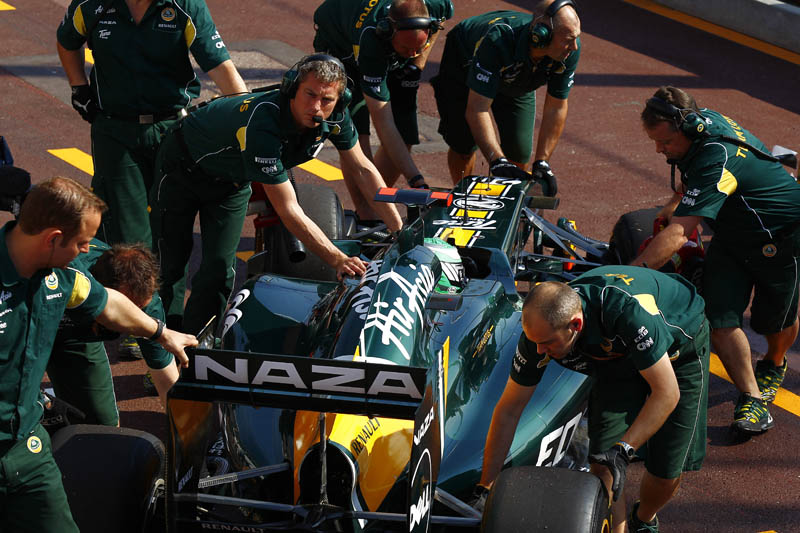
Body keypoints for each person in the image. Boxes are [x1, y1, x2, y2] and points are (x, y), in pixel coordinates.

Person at [0, 176, 196, 532]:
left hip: (26, 450)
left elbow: (110, 304)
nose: (88, 250)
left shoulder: (63, 278)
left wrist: (162, 334)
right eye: (82, 243)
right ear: (53, 239)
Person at [152, 54, 399, 335]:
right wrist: (337, 259)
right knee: (170, 261)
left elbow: (363, 169)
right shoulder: (263, 123)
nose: (317, 107)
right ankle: (160, 342)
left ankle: (196, 342)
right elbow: (288, 210)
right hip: (181, 169)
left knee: (219, 268)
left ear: (339, 100)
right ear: (292, 89)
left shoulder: (336, 114)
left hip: (232, 180)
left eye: (327, 99)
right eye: (310, 94)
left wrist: (399, 230)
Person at [56, 0, 248, 331]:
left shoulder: (184, 6)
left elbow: (221, 67)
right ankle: (142, 327)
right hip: (114, 133)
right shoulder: (91, 4)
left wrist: (249, 124)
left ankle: (170, 327)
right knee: (130, 240)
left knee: (169, 239)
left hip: (173, 131)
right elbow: (66, 41)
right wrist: (78, 86)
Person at [477, 266, 710, 533]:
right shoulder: (539, 334)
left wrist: (624, 449)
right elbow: (509, 409)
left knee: (664, 472)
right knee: (603, 467)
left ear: (575, 325)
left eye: (548, 343)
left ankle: (644, 518)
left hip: (678, 350)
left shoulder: (624, 312)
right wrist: (486, 488)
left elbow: (667, 393)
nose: (539, 350)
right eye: (535, 342)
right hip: (616, 362)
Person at [632, 86, 800, 435]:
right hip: (731, 236)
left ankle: (774, 363)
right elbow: (694, 176)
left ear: (687, 127)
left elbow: (680, 234)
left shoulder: (717, 154)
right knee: (720, 318)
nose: (659, 149)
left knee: (775, 322)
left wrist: (629, 275)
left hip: (780, 239)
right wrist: (673, 205)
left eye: (665, 142)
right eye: (655, 142)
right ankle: (752, 398)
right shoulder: (699, 127)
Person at [431, 0, 580, 187]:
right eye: (568, 40)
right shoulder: (496, 40)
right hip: (464, 64)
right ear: (540, 36)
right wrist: (496, 159)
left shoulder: (569, 50)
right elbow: (477, 109)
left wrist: (542, 162)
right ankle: (463, 194)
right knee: (463, 145)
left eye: (576, 38)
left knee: (519, 153)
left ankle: (506, 200)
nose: (574, 46)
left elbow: (556, 106)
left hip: (515, 77)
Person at [313, 0, 454, 197]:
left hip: (389, 46)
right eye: (406, 48)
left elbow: (440, 21)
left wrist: (417, 63)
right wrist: (417, 180)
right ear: (388, 32)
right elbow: (383, 120)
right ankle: (365, 208)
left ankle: (377, 198)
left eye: (419, 46)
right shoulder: (371, 40)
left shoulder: (436, 5)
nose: (413, 53)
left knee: (405, 132)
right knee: (355, 137)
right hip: (340, 45)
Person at [47, 241, 182, 421]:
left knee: (101, 424)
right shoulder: (61, 276)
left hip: (74, 336)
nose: (133, 317)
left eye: (138, 310)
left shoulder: (146, 302)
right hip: (31, 323)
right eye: (125, 309)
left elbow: (165, 378)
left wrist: (183, 431)